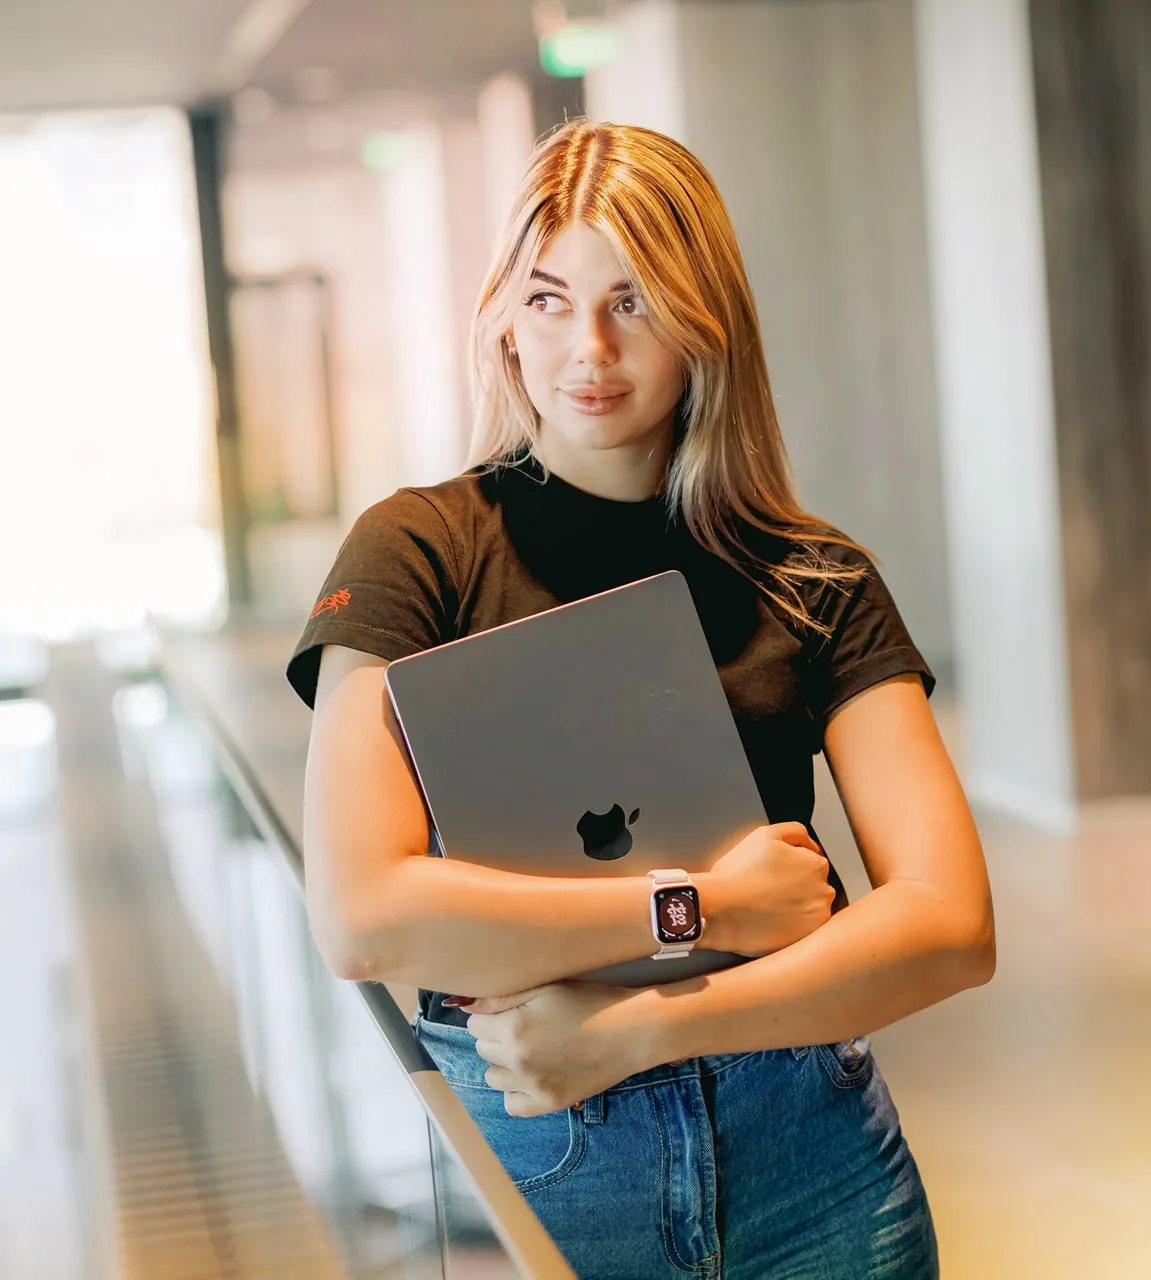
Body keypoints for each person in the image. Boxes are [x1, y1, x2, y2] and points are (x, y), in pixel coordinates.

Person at [287, 120, 995, 1280]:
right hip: (543, 1154)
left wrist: (638, 1029)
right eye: (550, 298)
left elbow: (951, 923)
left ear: (703, 318)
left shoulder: (811, 573)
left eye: (635, 301)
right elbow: (361, 912)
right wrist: (698, 906)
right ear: (503, 315)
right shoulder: (419, 550)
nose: (589, 349)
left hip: (808, 1155)